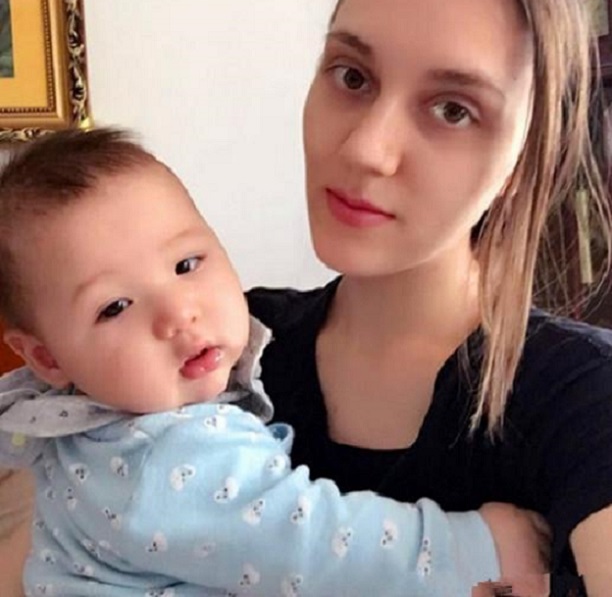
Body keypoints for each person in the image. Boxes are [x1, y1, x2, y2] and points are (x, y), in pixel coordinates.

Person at [1, 0, 611, 594]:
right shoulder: (210, 352)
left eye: (453, 110)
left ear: (526, 157)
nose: (367, 148)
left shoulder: (583, 395)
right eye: (352, 76)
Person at [0, 128, 545, 596]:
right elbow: (317, 545)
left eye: (187, 264)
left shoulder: (67, 417)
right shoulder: (158, 457)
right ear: (47, 357)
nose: (179, 314)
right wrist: (477, 546)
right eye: (115, 307)